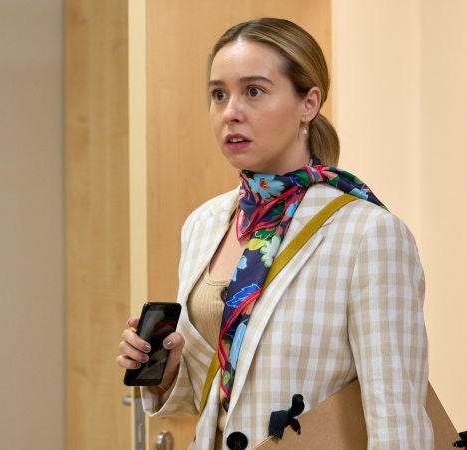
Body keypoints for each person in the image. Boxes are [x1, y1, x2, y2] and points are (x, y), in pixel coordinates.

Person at [117, 17, 432, 450]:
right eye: (219, 94)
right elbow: (223, 389)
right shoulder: (204, 225)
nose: (231, 112)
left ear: (309, 103)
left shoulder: (368, 234)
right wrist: (167, 371)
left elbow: (397, 419)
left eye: (254, 91)